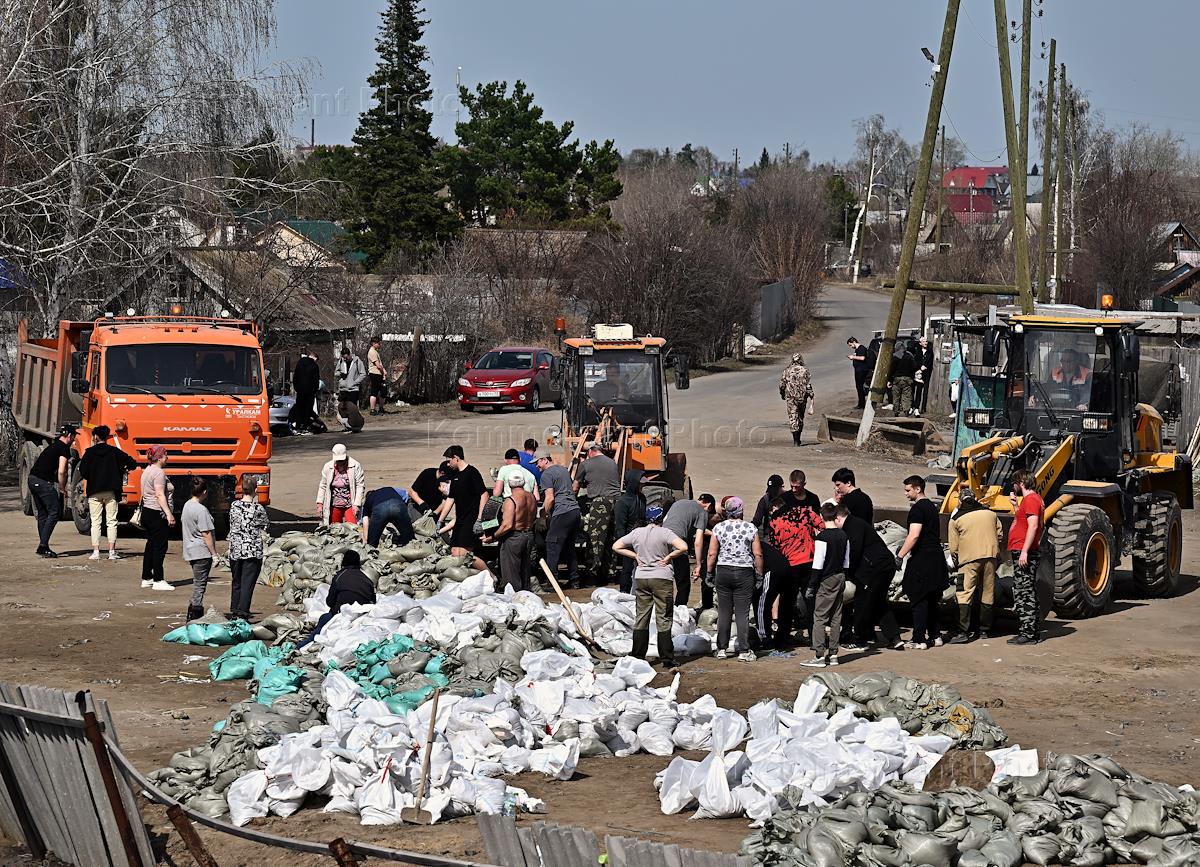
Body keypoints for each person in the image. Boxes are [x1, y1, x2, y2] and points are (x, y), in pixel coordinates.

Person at [613, 504, 689, 667]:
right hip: (662, 578)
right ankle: (667, 658)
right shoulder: (665, 533)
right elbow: (683, 547)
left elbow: (616, 546)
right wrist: (669, 557)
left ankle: (638, 655)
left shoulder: (636, 533)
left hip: (641, 578)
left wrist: (635, 556)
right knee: (664, 617)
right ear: (662, 519)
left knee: (641, 617)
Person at [762, 470, 823, 647]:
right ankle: (816, 638)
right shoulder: (805, 513)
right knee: (811, 601)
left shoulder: (775, 523)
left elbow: (775, 548)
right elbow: (822, 527)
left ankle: (782, 638)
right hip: (810, 562)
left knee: (787, 602)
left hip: (791, 565)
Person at [705, 497, 764, 662]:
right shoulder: (750, 528)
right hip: (744, 572)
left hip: (723, 571)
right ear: (741, 511)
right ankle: (744, 650)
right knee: (742, 613)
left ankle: (721, 649)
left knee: (724, 612)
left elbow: (712, 553)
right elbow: (758, 554)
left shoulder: (718, 528)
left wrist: (709, 573)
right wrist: (759, 575)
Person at [840, 504, 903, 651]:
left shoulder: (852, 526)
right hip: (884, 566)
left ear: (838, 518)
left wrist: (846, 571)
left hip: (873, 569)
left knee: (862, 603)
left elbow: (854, 551)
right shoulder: (858, 524)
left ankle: (860, 640)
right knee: (878, 602)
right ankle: (894, 637)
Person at [897, 475, 949, 650]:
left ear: (918, 489)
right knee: (932, 599)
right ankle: (935, 635)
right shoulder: (932, 507)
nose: (906, 494)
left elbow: (914, 535)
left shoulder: (917, 510)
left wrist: (900, 555)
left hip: (923, 558)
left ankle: (918, 639)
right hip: (936, 558)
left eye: (908, 490)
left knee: (918, 598)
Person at [947, 488, 1003, 643]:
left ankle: (963, 632)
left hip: (968, 560)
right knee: (987, 593)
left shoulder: (956, 519)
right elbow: (999, 535)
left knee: (964, 593)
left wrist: (956, 560)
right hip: (990, 557)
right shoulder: (990, 514)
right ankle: (984, 630)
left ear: (960, 501)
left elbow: (953, 547)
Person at [801, 502, 851, 667]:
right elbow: (846, 560)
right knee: (836, 616)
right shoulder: (843, 535)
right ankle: (834, 654)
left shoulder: (822, 537)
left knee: (820, 617)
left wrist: (811, 584)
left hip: (826, 579)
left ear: (822, 517)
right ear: (835, 516)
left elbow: (818, 563)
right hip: (840, 576)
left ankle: (819, 655)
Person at [79, 425, 137, 561]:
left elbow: (83, 472)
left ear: (95, 437)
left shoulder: (89, 453)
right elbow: (132, 463)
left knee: (95, 522)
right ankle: (112, 552)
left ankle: (96, 551)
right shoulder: (115, 452)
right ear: (107, 437)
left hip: (94, 491)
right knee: (111, 522)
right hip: (111, 491)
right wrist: (121, 469)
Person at [296, 551, 376, 649]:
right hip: (361, 617)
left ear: (344, 562)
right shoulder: (367, 580)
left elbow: (330, 602)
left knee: (323, 620)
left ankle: (302, 645)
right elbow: (373, 601)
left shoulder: (339, 576)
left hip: (341, 615)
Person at [534, 447, 582, 589]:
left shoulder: (546, 475)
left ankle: (552, 581)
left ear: (544, 460)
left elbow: (550, 498)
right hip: (575, 511)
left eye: (537, 462)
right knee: (569, 546)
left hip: (562, 513)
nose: (536, 466)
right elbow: (573, 488)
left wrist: (543, 514)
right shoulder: (563, 470)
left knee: (552, 544)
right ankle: (574, 580)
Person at [438, 445, 490, 573]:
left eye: (449, 460)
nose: (448, 464)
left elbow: (484, 494)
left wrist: (479, 519)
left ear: (456, 458)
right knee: (455, 552)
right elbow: (450, 499)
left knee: (465, 555)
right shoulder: (455, 475)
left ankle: (491, 577)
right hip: (459, 519)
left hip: (471, 519)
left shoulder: (472, 472)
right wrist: (440, 520)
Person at [1007, 470, 1045, 645]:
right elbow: (1025, 522)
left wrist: (1024, 551)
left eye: (1015, 483)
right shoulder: (1031, 500)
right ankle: (1031, 631)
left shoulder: (1031, 500)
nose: (1014, 486)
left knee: (1024, 592)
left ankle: (1028, 633)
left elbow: (1034, 525)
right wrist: (1016, 506)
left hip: (1024, 551)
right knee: (1027, 589)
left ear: (1021, 483)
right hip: (1024, 549)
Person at [27, 423, 77, 557]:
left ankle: (43, 545)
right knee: (55, 512)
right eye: (74, 437)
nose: (74, 440)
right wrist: (62, 488)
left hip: (32, 479)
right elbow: (61, 471)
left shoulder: (53, 446)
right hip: (42, 482)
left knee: (43, 513)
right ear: (69, 436)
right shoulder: (63, 448)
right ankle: (43, 546)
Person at [575, 442, 621, 584]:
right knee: (611, 538)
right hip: (616, 502)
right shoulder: (612, 463)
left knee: (594, 539)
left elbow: (575, 486)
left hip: (600, 502)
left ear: (590, 451)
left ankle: (593, 572)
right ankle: (610, 571)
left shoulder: (586, 464)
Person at [228, 477, 269, 621]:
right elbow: (265, 524)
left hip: (235, 550)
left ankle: (235, 610)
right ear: (255, 490)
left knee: (237, 581)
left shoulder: (234, 505)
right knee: (247, 583)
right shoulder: (258, 508)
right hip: (252, 550)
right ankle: (243, 612)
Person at [484, 482, 536, 593]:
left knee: (511, 571)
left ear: (509, 485)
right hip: (528, 535)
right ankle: (525, 594)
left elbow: (507, 525)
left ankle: (514, 596)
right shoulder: (531, 497)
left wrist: (492, 537)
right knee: (524, 569)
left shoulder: (511, 500)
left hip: (514, 537)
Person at [664, 493, 715, 605]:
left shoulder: (679, 503)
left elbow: (665, 520)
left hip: (661, 540)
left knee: (662, 578)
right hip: (678, 544)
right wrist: (698, 564)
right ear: (708, 506)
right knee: (683, 583)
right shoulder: (702, 512)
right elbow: (698, 541)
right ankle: (679, 609)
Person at [182, 479, 218, 622]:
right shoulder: (201, 510)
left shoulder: (187, 505)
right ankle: (195, 614)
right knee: (200, 585)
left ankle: (194, 611)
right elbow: (206, 534)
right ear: (204, 492)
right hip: (201, 551)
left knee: (198, 582)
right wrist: (214, 554)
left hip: (190, 550)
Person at [140, 445, 175, 591]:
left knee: (151, 545)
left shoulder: (147, 470)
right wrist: (168, 514)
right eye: (166, 455)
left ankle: (147, 577)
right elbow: (160, 494)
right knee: (160, 547)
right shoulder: (159, 473)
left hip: (147, 511)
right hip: (157, 512)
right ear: (159, 457)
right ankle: (158, 580)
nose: (167, 458)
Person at [612, 470, 646, 593]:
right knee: (627, 568)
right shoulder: (622, 502)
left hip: (642, 538)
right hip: (628, 539)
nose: (642, 486)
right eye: (640, 484)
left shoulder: (642, 498)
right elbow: (620, 526)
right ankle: (625, 592)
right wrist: (625, 543)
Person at [316, 444, 365, 525]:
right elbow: (323, 486)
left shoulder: (355, 465)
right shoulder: (327, 467)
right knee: (334, 528)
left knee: (353, 527)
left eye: (342, 460)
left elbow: (360, 485)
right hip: (334, 505)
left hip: (350, 504)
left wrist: (357, 504)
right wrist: (319, 504)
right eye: (338, 460)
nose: (340, 462)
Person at [778, 353, 815, 446]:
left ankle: (796, 441)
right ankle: (799, 437)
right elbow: (808, 383)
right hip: (802, 396)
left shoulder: (787, 370)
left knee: (793, 417)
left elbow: (782, 384)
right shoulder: (805, 370)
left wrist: (782, 394)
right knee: (800, 416)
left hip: (791, 397)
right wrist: (811, 395)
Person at [335, 345, 366, 433]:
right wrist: (341, 374)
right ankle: (346, 426)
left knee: (352, 408)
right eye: (343, 358)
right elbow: (336, 372)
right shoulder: (341, 361)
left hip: (353, 389)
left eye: (346, 357)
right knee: (343, 409)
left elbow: (363, 374)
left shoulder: (357, 361)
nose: (345, 359)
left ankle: (353, 425)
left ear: (349, 355)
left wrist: (355, 382)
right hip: (343, 389)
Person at [289, 348, 321, 432]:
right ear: (315, 358)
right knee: (308, 409)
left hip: (300, 390)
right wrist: (314, 390)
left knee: (300, 408)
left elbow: (295, 376)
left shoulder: (300, 363)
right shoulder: (314, 366)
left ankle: (298, 425)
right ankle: (305, 426)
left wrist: (296, 388)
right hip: (310, 391)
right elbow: (316, 380)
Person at [890, 342, 917, 416]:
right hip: (907, 379)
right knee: (906, 396)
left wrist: (889, 380)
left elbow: (891, 370)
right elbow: (914, 367)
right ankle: (906, 410)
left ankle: (896, 411)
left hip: (896, 379)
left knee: (896, 396)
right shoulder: (909, 356)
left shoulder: (895, 357)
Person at [846, 337, 873, 410]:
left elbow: (862, 358)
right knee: (859, 387)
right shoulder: (857, 349)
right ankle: (861, 403)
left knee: (860, 387)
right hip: (858, 370)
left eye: (851, 345)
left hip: (862, 371)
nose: (851, 347)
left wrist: (853, 357)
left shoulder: (861, 348)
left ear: (854, 342)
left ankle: (861, 404)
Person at [366, 336, 387, 415]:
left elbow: (380, 364)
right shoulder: (372, 352)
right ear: (374, 343)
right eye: (378, 343)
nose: (379, 345)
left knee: (383, 391)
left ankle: (381, 408)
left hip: (379, 374)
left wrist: (383, 372)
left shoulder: (376, 352)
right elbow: (378, 365)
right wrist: (383, 371)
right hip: (375, 374)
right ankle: (372, 410)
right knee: (374, 392)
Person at [914, 336, 934, 414]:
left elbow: (930, 361)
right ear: (920, 343)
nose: (926, 343)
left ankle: (923, 408)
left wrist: (925, 366)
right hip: (919, 373)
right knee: (918, 390)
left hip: (926, 372)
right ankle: (916, 407)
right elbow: (916, 360)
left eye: (926, 341)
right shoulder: (918, 351)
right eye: (924, 341)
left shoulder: (930, 351)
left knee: (925, 390)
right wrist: (919, 367)